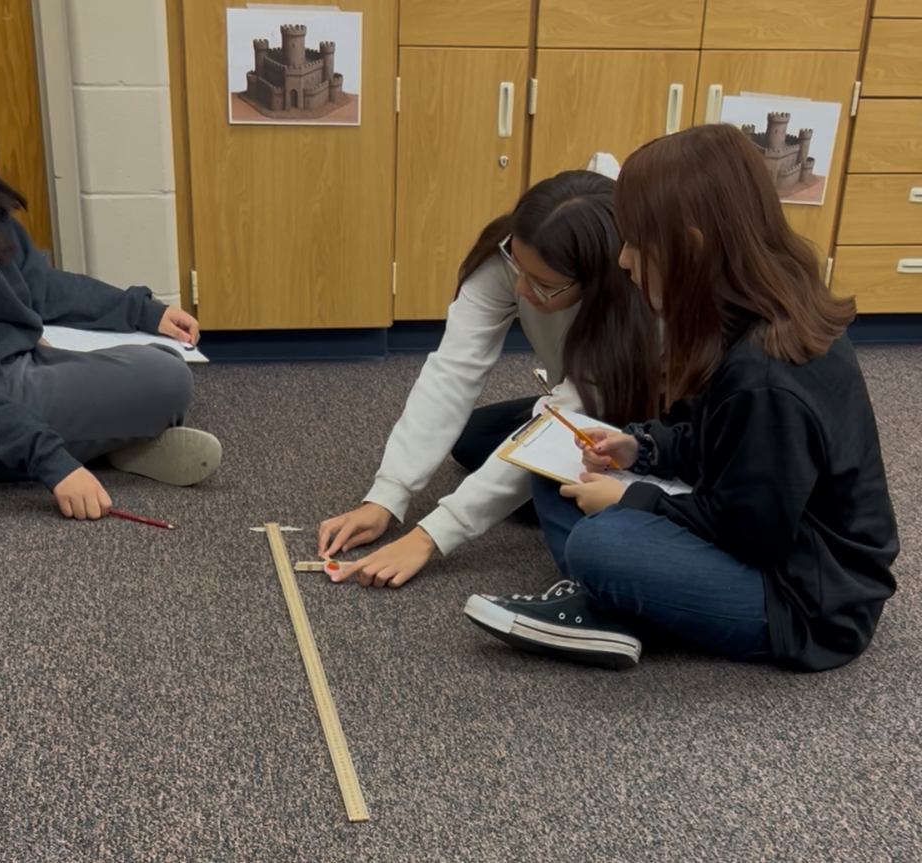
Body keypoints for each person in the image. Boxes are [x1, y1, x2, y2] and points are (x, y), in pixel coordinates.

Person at [464, 123, 899, 673]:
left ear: (690, 248)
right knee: (561, 470)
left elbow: (750, 533)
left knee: (599, 545)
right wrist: (638, 449)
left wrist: (631, 501)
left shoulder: (765, 376)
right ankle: (617, 600)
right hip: (759, 534)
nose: (622, 260)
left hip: (804, 602)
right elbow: (721, 446)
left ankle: (611, 602)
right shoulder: (750, 317)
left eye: (636, 245)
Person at [0, 0, 221, 520]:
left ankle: (92, 438)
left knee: (162, 361)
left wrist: (140, 312)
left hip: (9, 366)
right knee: (167, 384)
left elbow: (34, 284)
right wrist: (51, 461)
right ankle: (63, 446)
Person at [318, 163, 660, 588]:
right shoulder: (513, 255)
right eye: (518, 267)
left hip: (641, 419)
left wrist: (430, 535)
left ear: (597, 282)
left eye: (542, 284)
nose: (521, 289)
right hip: (571, 404)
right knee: (473, 439)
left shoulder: (636, 303)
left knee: (549, 468)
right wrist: (387, 496)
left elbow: (562, 420)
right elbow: (452, 371)